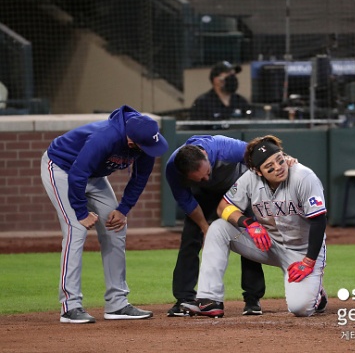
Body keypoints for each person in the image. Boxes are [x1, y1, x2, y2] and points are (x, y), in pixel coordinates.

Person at [40, 105, 168, 323]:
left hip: (94, 176)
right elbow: (78, 173)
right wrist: (81, 211)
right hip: (62, 168)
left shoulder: (145, 140)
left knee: (116, 227)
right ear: (130, 142)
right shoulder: (106, 137)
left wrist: (123, 209)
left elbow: (140, 178)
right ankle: (70, 306)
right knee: (76, 229)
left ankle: (117, 304)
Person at [181, 135, 328, 318]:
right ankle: (209, 299)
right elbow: (223, 208)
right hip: (268, 244)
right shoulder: (250, 179)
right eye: (269, 166)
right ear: (258, 171)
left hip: (302, 251)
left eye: (279, 160)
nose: (278, 168)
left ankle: (318, 296)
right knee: (218, 228)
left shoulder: (303, 177)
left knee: (300, 308)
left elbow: (319, 220)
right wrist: (248, 223)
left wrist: (308, 261)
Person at [165, 135, 267, 317]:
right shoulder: (173, 169)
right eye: (199, 177)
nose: (205, 177)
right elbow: (187, 202)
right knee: (190, 237)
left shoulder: (226, 148)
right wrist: (205, 228)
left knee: (250, 232)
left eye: (207, 173)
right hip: (204, 194)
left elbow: (260, 154)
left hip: (236, 190)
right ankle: (184, 298)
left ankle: (252, 299)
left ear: (205, 156)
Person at [189, 61, 252, 127]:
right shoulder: (202, 103)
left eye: (233, 75)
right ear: (216, 79)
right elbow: (197, 131)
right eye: (229, 74)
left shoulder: (241, 101)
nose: (233, 78)